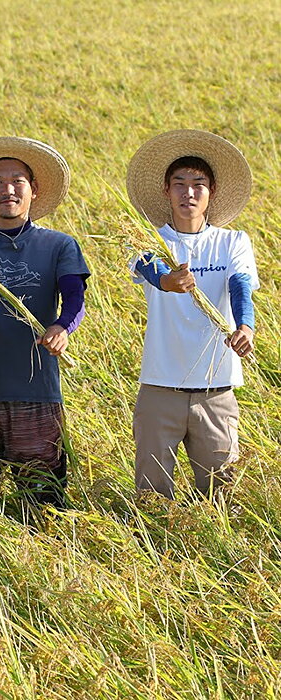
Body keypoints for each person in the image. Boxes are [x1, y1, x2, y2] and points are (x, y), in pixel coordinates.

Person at [0, 137, 90, 508]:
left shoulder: (60, 245)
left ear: (33, 190)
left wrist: (62, 327)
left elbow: (75, 297)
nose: (8, 190)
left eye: (17, 181)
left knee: (43, 502)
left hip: (36, 395)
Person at [127, 129, 258, 499]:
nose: (188, 193)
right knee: (151, 495)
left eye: (198, 184)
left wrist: (245, 326)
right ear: (167, 191)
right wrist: (169, 281)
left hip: (216, 388)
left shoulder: (233, 241)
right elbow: (150, 273)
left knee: (221, 496)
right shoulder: (147, 240)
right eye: (179, 184)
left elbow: (240, 286)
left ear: (211, 193)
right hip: (159, 386)